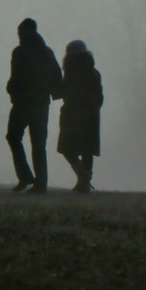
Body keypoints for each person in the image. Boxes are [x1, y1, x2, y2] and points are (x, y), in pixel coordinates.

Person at [5, 18, 62, 193]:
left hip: (23, 103)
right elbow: (57, 76)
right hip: (41, 104)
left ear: (22, 33)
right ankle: (41, 182)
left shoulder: (20, 52)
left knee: (13, 137)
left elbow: (16, 77)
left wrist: (11, 91)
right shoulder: (47, 52)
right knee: (38, 144)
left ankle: (25, 177)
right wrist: (53, 93)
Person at [57, 39, 104, 193]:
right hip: (91, 116)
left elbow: (63, 92)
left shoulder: (71, 72)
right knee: (87, 150)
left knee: (66, 148)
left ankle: (82, 177)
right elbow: (99, 97)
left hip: (73, 115)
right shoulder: (94, 73)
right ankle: (84, 181)